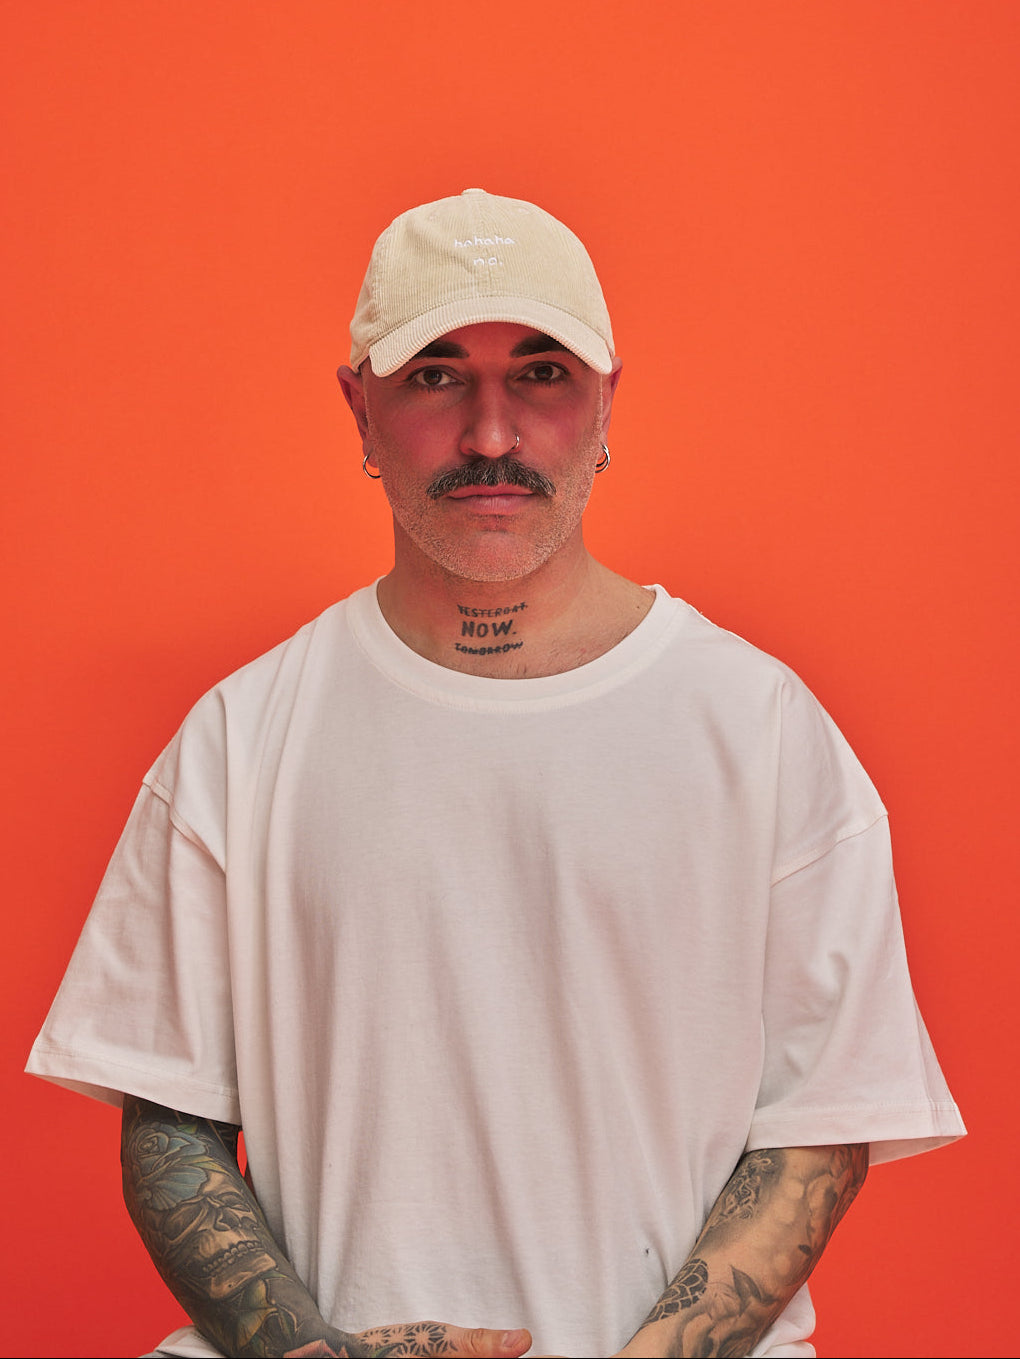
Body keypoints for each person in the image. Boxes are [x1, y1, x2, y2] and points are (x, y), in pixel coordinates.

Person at [27, 188, 964, 1359]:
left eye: (540, 374)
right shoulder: (240, 736)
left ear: (608, 403)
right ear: (359, 409)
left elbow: (819, 1121)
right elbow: (170, 1115)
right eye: (435, 376)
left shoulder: (762, 729)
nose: (488, 437)